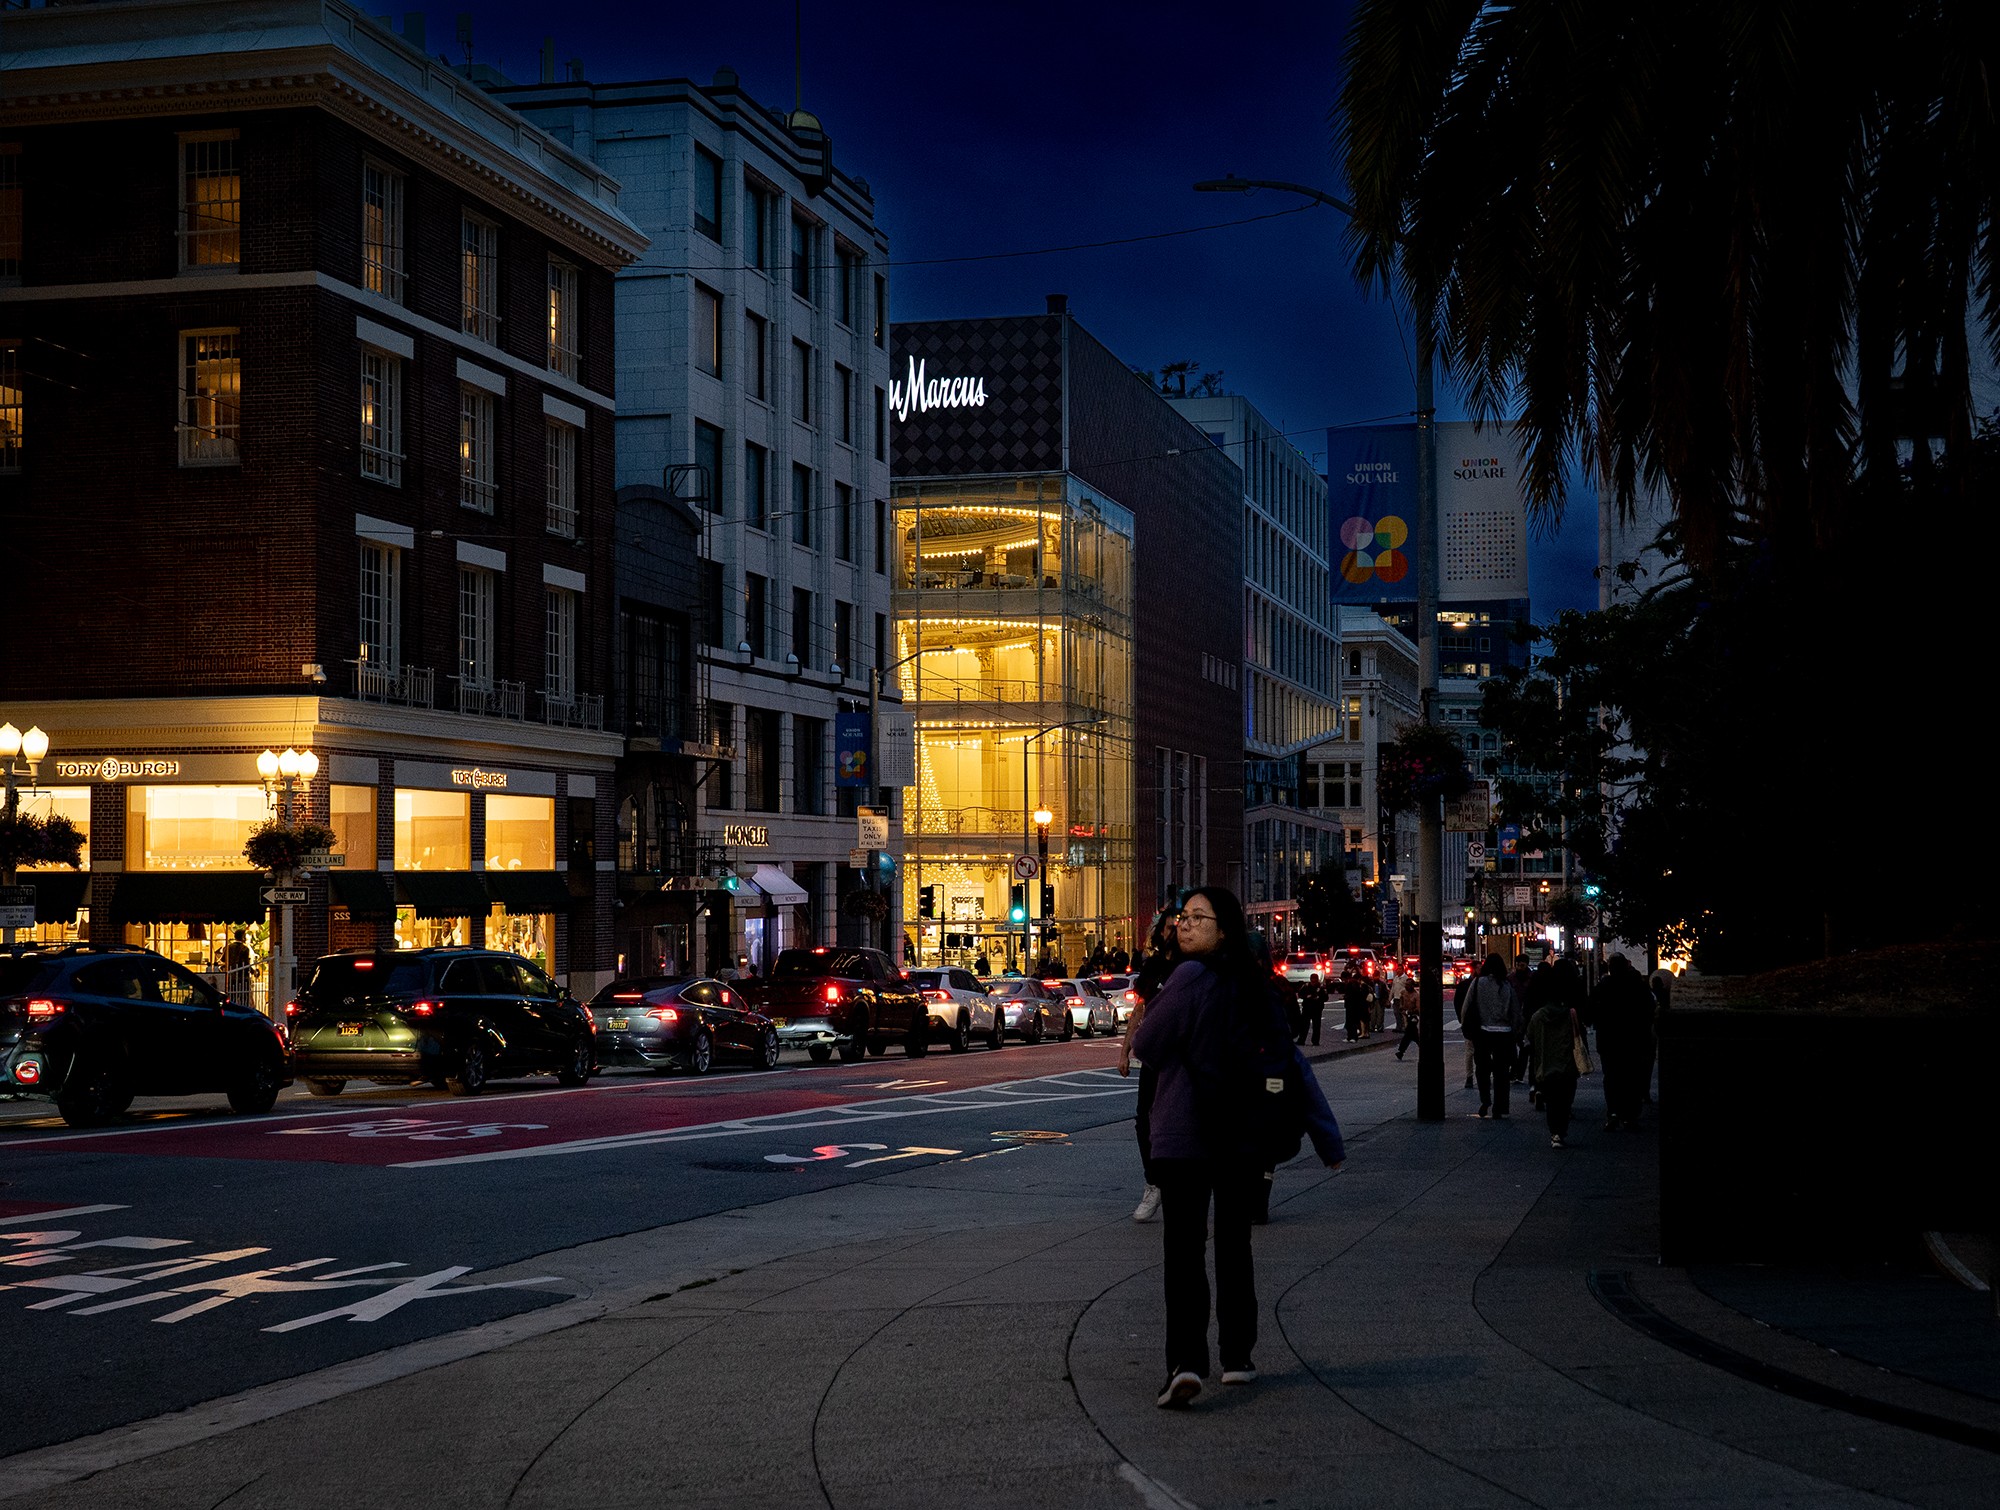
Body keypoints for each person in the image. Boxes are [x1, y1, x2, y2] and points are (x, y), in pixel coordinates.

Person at [1130, 886, 1343, 1408]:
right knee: (1233, 1243)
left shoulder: (1187, 978)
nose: (1184, 924)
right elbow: (1291, 1063)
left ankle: (1186, 1362)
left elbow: (1147, 1044)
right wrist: (1327, 1139)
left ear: (1223, 929)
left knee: (1183, 1250)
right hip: (1244, 1136)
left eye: (1198, 918)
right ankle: (1238, 1356)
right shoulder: (1254, 984)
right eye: (1182, 916)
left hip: (1185, 1135)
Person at [1122, 908, 1182, 1224]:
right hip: (1154, 1057)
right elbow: (1140, 1010)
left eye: (1179, 926)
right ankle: (1153, 1181)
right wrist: (1125, 1051)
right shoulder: (1154, 967)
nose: (1174, 932)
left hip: (1185, 1056)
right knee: (1143, 1121)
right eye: (1169, 927)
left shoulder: (1192, 966)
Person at [1592, 954, 1656, 1129]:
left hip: (1609, 1039)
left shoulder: (1604, 986)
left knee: (1612, 1077)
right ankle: (1630, 1114)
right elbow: (1649, 1009)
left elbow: (1592, 1011)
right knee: (1632, 1076)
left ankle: (1613, 1112)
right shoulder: (1638, 986)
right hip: (1633, 1039)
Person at [1463, 953, 1525, 1118]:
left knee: (1482, 1069)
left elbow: (1466, 1007)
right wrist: (1517, 1032)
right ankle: (1500, 1106)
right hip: (1504, 1034)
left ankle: (1485, 1099)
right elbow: (1516, 1012)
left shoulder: (1477, 983)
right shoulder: (1507, 986)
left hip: (1483, 1032)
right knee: (1502, 1072)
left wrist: (1467, 1029)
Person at [1526, 973, 1581, 1146]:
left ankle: (1554, 1132)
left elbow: (1530, 1036)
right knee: (1565, 1100)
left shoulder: (1538, 1016)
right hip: (1566, 1063)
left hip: (1546, 1063)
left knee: (1552, 1102)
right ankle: (1562, 1130)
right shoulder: (1569, 1014)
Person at [221, 929, 253, 1004]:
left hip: (231, 977)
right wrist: (253, 971)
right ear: (242, 937)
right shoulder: (245, 949)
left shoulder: (228, 947)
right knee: (244, 1000)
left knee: (232, 999)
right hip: (242, 978)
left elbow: (223, 959)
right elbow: (246, 964)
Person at [1338, 966, 1369, 1042]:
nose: (1343, 981)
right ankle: (1350, 1037)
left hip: (1353, 1005)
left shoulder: (1352, 983)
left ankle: (1353, 1037)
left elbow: (1354, 994)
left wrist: (1345, 997)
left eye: (1343, 979)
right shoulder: (1352, 983)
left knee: (1352, 1022)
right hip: (1351, 1005)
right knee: (1349, 1022)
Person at [1394, 975, 1421, 1059]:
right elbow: (1401, 1001)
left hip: (1413, 1016)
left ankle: (1401, 1051)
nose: (1406, 986)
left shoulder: (1416, 995)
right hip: (1406, 1014)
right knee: (1412, 1035)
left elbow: (1418, 1008)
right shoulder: (1403, 992)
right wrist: (1402, 1007)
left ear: (1412, 986)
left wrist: (1410, 1011)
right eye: (1406, 985)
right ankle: (1401, 1051)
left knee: (1409, 1033)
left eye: (1408, 985)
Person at [1298, 973, 1328, 1046]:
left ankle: (1315, 1041)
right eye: (1312, 979)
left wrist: (1318, 998)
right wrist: (1306, 996)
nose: (1313, 981)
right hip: (1307, 1008)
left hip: (1317, 1008)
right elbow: (1300, 994)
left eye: (1315, 979)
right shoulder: (1306, 986)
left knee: (1316, 1026)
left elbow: (1326, 998)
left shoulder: (1321, 987)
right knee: (1304, 1025)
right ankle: (1301, 1040)